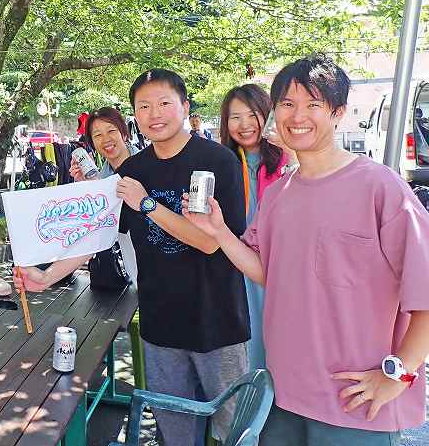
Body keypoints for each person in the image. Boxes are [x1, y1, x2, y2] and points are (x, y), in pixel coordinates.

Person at [183, 54, 429, 446]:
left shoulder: (381, 188)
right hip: (282, 396)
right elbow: (269, 271)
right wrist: (219, 232)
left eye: (314, 104)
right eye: (287, 104)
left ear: (338, 112)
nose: (298, 116)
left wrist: (399, 373)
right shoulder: (279, 193)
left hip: (354, 407)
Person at [16, 69, 250, 446]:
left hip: (218, 321)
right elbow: (97, 236)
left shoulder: (218, 161)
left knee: (233, 429)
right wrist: (45, 276)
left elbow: (211, 243)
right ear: (135, 116)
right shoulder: (134, 170)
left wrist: (146, 203)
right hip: (161, 325)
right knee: (174, 430)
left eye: (164, 104)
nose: (154, 113)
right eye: (144, 106)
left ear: (185, 108)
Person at [219, 83, 293, 370]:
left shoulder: (285, 158)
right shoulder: (221, 162)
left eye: (252, 115)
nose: (245, 124)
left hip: (276, 263)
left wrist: (292, 155)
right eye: (235, 117)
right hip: (235, 261)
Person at [70, 106, 138, 181]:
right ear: (93, 143)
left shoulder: (149, 163)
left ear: (124, 134)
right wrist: (87, 183)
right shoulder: (102, 178)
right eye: (98, 135)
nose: (106, 139)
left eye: (111, 131)